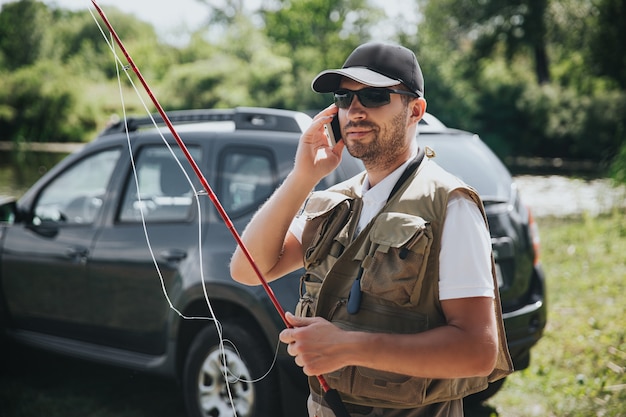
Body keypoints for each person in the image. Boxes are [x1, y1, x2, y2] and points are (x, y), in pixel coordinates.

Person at [230, 42, 513, 417]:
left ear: (416, 110)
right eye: (344, 98)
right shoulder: (333, 200)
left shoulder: (450, 204)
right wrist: (303, 176)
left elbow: (478, 352)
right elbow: (249, 269)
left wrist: (347, 346)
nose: (355, 110)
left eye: (375, 96)